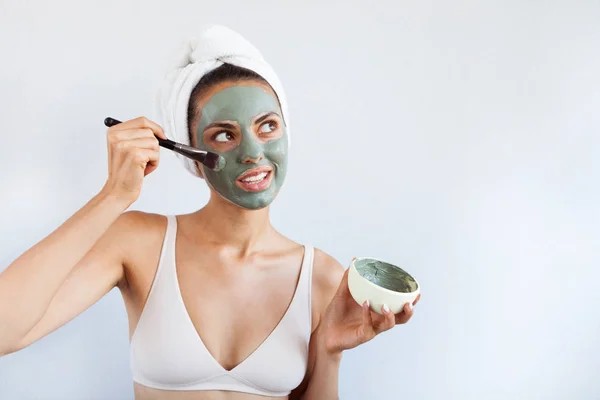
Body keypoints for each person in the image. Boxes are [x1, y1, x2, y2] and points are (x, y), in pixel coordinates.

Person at [0, 25, 420, 399]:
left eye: (268, 126)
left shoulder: (324, 277)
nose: (253, 153)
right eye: (224, 134)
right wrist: (113, 197)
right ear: (193, 155)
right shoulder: (138, 244)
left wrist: (329, 351)